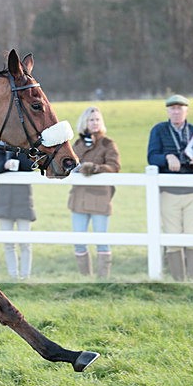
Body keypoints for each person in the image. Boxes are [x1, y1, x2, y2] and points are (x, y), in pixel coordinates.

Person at [147, 94, 193, 281]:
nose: (176, 112)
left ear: (186, 110)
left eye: (180, 108)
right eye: (172, 108)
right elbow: (152, 157)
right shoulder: (159, 130)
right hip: (170, 192)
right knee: (172, 237)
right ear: (168, 111)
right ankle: (178, 281)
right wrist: (167, 158)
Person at [68, 107, 121, 278]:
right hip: (78, 197)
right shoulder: (76, 144)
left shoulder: (108, 143)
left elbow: (115, 166)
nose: (95, 123)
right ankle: (85, 277)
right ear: (85, 122)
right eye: (91, 120)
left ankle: (103, 278)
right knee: (79, 242)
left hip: (100, 198)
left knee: (101, 240)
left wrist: (97, 168)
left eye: (98, 119)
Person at [0, 146, 36, 280]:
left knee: (25, 242)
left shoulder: (25, 150)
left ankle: (25, 276)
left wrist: (20, 153)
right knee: (8, 243)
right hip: (3, 201)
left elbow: (30, 166)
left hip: (22, 201)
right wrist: (4, 165)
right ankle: (13, 276)